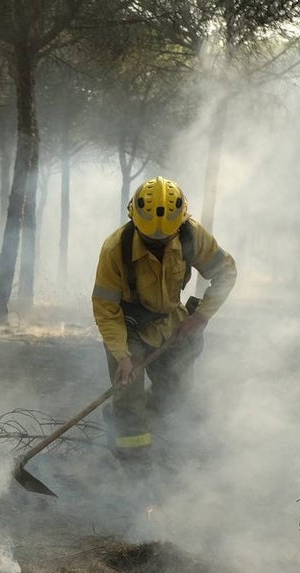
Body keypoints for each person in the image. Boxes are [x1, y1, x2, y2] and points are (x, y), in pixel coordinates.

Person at [91, 176, 238, 472]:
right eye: (150, 239)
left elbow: (225, 272)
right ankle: (134, 469)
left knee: (175, 393)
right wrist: (123, 356)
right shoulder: (114, 250)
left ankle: (145, 436)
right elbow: (106, 310)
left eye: (164, 239)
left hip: (172, 323)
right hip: (128, 328)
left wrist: (200, 315)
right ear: (134, 220)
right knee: (129, 399)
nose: (157, 244)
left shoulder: (190, 236)